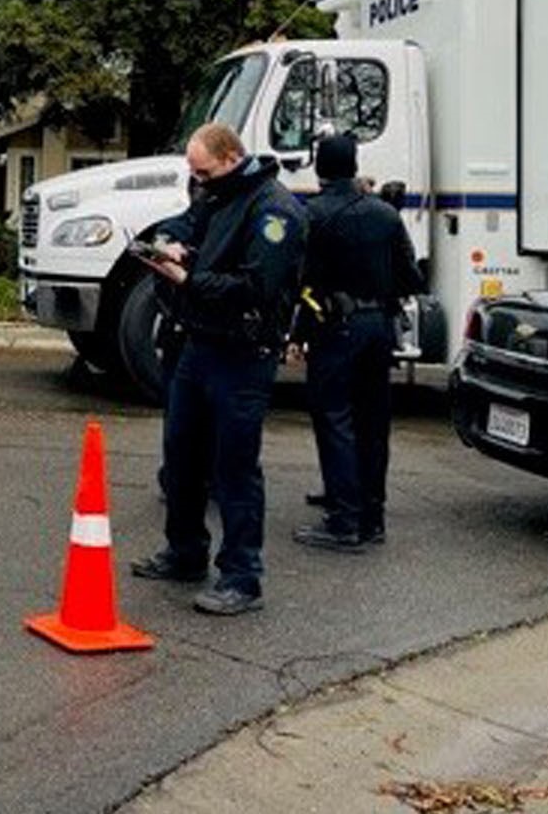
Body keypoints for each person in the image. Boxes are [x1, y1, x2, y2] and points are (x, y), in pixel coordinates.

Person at [129, 122, 306, 616]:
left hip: (243, 352)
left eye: (203, 170)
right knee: (181, 453)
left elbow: (256, 288)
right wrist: (167, 242)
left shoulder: (274, 212)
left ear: (231, 158)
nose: (197, 180)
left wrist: (189, 276)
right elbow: (187, 223)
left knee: (234, 465)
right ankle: (185, 551)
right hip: (198, 343)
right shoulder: (216, 194)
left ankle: (241, 576)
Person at [292, 134, 423, 551]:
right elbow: (411, 278)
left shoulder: (313, 215)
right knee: (373, 423)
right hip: (379, 328)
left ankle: (343, 520)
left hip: (336, 327)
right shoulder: (385, 214)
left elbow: (302, 280)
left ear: (320, 169)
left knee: (334, 419)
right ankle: (373, 517)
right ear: (353, 165)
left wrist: (298, 333)